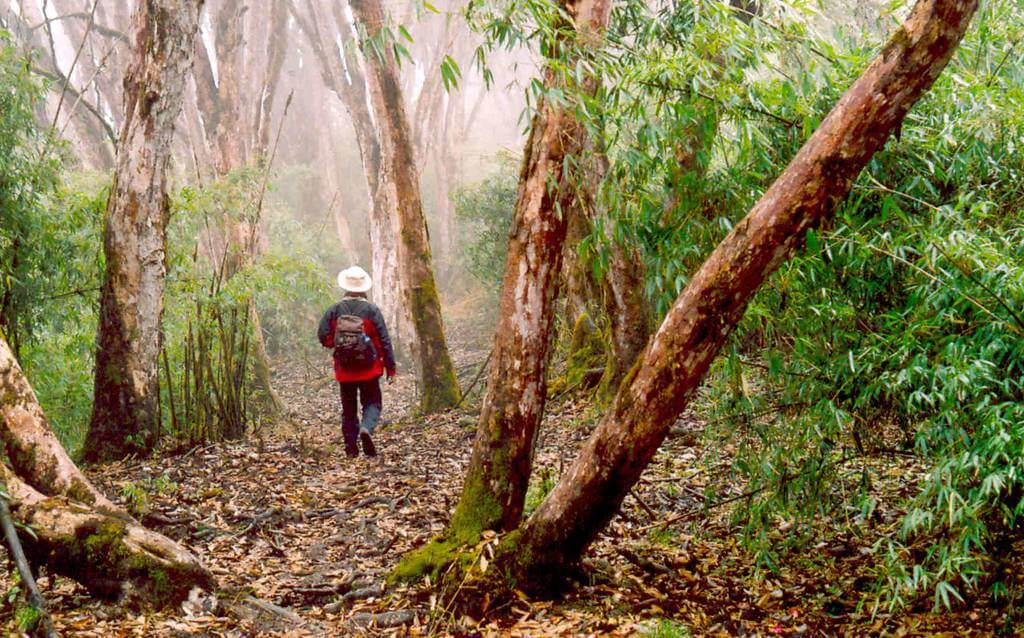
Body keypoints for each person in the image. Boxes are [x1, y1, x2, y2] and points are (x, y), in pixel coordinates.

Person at [317, 266, 396, 457]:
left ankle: (351, 449)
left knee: (349, 410)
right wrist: (390, 368)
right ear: (363, 288)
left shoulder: (334, 310)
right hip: (370, 368)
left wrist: (337, 346)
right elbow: (384, 339)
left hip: (344, 369)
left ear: (345, 287)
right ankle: (366, 428)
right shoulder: (371, 310)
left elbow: (323, 335)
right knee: (373, 403)